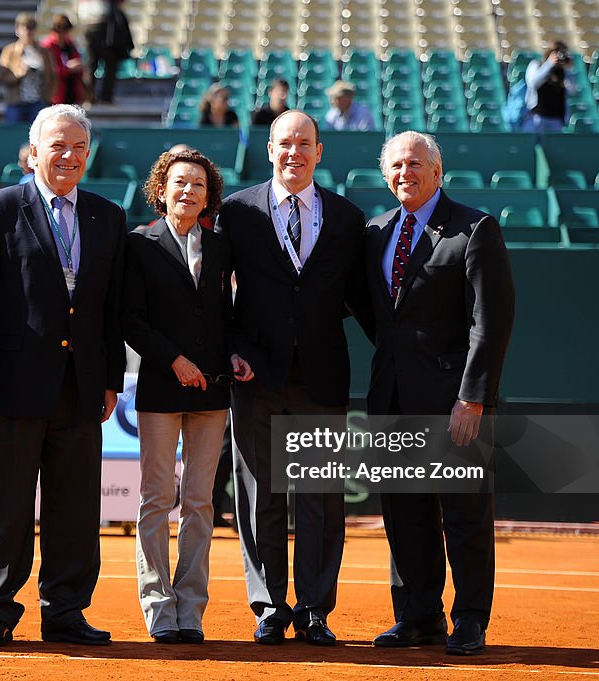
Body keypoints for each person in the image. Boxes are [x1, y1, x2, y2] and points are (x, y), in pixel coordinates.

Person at [0, 104, 126, 647]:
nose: (69, 156)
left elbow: (111, 308)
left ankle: (65, 609)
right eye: (58, 145)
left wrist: (109, 380)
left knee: (75, 509)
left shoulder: (107, 215)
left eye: (79, 147)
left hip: (80, 389)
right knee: (4, 505)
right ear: (33, 153)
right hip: (8, 388)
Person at [217, 110, 370, 647]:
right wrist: (235, 347)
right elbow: (216, 294)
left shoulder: (349, 219)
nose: (294, 153)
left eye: (305, 143)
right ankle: (269, 606)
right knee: (260, 495)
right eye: (285, 143)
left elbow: (360, 298)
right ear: (269, 150)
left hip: (321, 377)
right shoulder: (235, 212)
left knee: (321, 499)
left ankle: (313, 609)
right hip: (255, 375)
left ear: (320, 152)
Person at [366, 131, 514, 656]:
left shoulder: (474, 229)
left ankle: (470, 618)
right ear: (386, 176)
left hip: (456, 403)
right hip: (393, 398)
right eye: (396, 166)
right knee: (405, 515)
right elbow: (378, 317)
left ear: (436, 170)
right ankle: (416, 616)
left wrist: (473, 397)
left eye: (414, 163)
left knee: (464, 515)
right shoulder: (376, 230)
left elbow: (489, 324)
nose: (404, 172)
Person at [123, 148, 230, 645]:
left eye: (199, 185)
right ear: (161, 189)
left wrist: (237, 356)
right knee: (157, 498)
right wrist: (175, 361)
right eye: (180, 183)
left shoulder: (223, 246)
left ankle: (191, 609)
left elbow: (235, 316)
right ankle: (158, 607)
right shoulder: (138, 244)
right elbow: (131, 319)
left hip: (212, 390)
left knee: (200, 502)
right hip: (163, 387)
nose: (189, 192)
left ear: (209, 196)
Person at [0, 13, 54, 125]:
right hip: (16, 102)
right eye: (25, 27)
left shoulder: (43, 51)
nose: (29, 31)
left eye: (32, 27)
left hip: (38, 101)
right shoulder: (9, 50)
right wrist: (20, 73)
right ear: (17, 29)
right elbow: (2, 77)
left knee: (37, 137)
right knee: (13, 135)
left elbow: (51, 77)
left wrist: (48, 96)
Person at [83, 0, 133, 104]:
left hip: (92, 28)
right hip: (105, 32)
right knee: (106, 65)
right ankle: (102, 97)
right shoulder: (110, 10)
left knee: (93, 66)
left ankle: (91, 97)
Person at [523, 40, 578, 134]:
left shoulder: (562, 72)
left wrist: (567, 70)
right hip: (537, 118)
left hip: (556, 119)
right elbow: (533, 82)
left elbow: (573, 90)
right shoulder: (537, 65)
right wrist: (549, 64)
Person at [40, 14, 86, 106]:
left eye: (66, 31)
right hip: (54, 94)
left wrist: (77, 65)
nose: (63, 34)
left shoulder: (70, 44)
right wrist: (68, 68)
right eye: (60, 31)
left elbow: (78, 61)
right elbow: (49, 71)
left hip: (71, 92)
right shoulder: (47, 46)